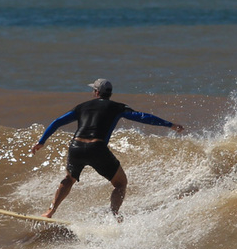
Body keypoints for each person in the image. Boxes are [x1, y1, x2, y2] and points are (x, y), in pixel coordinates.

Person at [29, 78, 184, 219]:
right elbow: (143, 117)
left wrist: (42, 141)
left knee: (69, 179)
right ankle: (114, 215)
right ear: (109, 93)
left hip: (76, 147)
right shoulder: (118, 107)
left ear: (96, 92)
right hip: (97, 148)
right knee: (120, 184)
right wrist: (170, 125)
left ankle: (50, 211)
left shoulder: (82, 107)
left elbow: (57, 122)